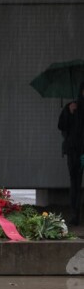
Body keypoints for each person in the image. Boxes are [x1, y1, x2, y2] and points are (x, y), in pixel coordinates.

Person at [58, 82, 84, 225]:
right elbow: (61, 126)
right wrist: (69, 112)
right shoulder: (72, 107)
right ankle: (75, 215)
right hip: (74, 152)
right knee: (75, 183)